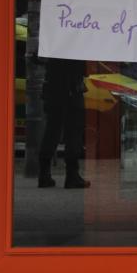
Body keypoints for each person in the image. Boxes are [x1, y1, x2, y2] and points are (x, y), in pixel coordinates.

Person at [38, 58, 90, 188]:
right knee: (73, 133)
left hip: (53, 88)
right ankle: (72, 175)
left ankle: (44, 175)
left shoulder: (51, 39)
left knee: (52, 130)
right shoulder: (75, 42)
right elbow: (84, 67)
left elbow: (36, 58)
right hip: (72, 89)